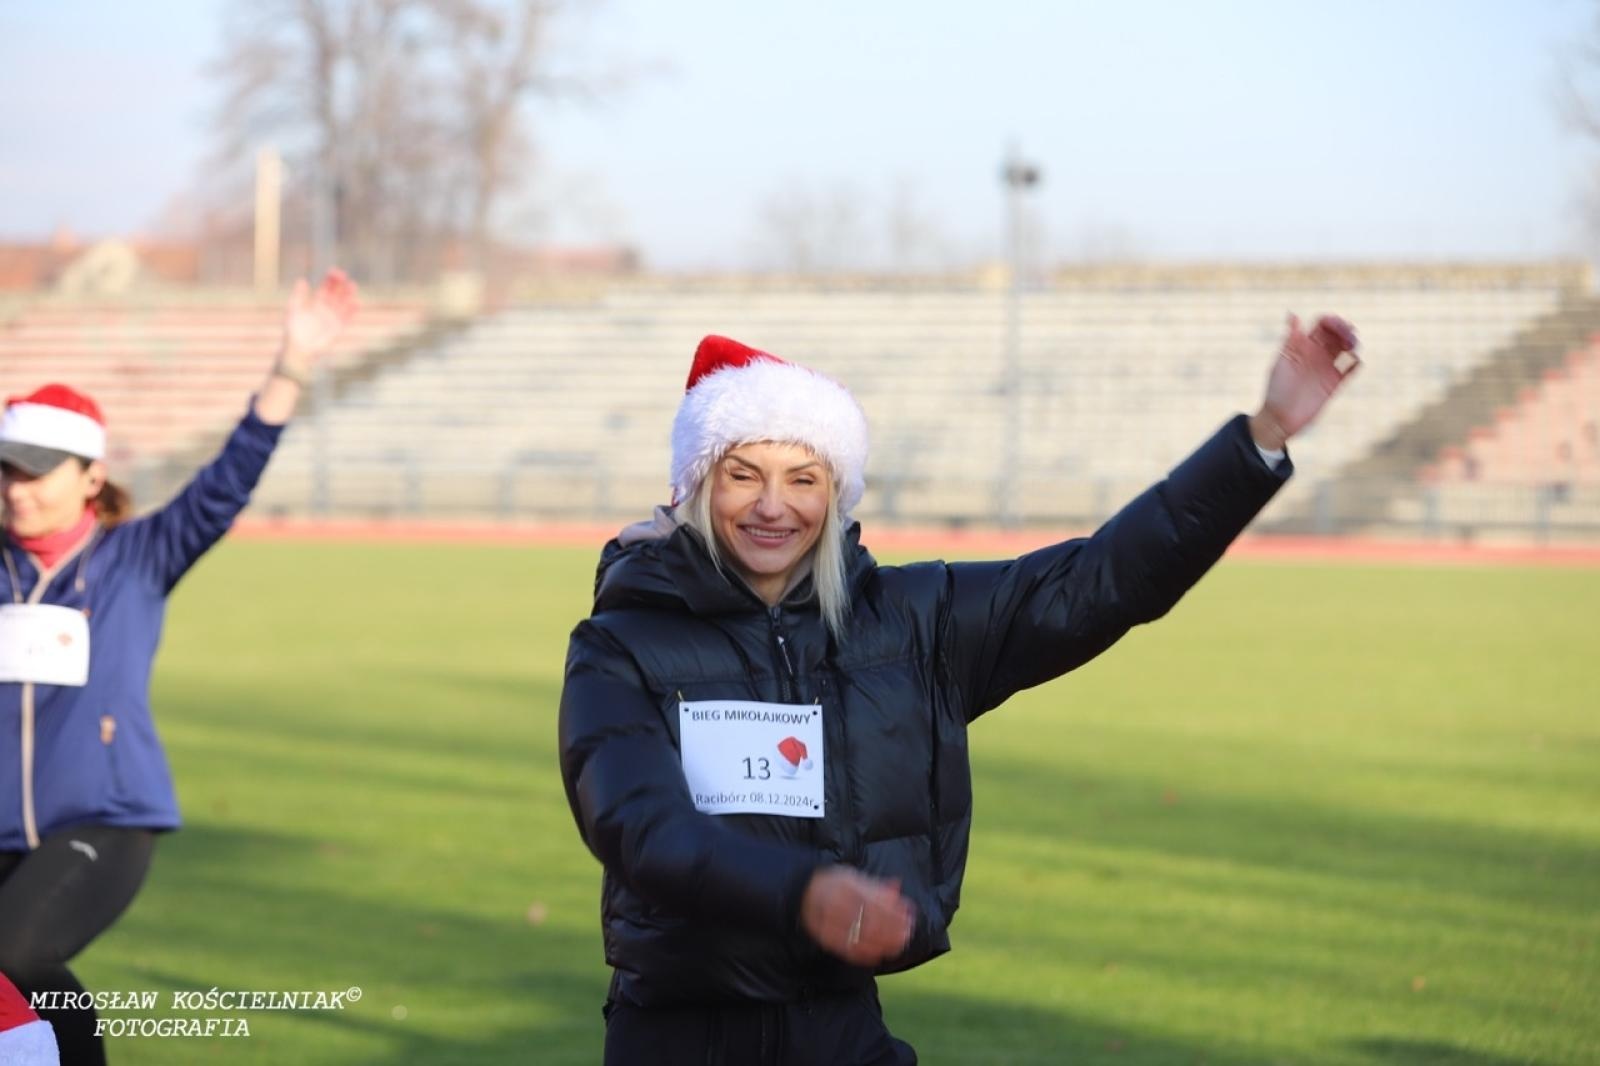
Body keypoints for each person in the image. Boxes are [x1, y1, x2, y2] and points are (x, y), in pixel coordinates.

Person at [559, 315, 1360, 1065]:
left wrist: (1260, 437)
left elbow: (1099, 582)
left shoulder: (911, 623)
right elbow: (640, 825)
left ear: (834, 496)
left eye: (803, 478)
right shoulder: (618, 644)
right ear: (699, 484)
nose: (774, 506)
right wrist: (803, 892)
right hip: (675, 1036)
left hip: (841, 1025)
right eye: (744, 475)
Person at [0, 269, 359, 1065]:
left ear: (91, 477)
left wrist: (293, 362)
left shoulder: (137, 556)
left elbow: (228, 480)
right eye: (7, 469)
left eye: (36, 469)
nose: (17, 488)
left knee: (16, 952)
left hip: (104, 820)